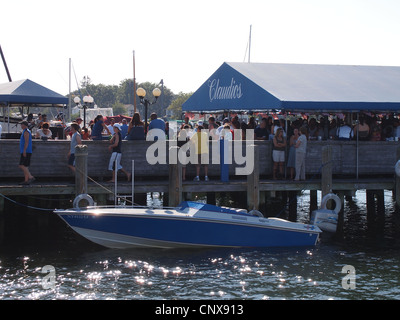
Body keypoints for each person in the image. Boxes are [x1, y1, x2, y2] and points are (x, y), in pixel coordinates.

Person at [18, 121, 35, 185]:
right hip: (25, 150)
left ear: (24, 125)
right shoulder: (25, 131)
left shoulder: (26, 132)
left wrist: (24, 150)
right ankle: (26, 180)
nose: (21, 126)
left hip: (26, 151)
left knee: (21, 165)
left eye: (21, 125)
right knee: (25, 166)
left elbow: (26, 142)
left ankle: (30, 177)